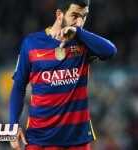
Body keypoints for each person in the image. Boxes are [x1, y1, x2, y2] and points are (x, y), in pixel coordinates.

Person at [9, 0, 117, 149]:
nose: (79, 22)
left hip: (77, 141)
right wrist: (13, 125)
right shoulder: (32, 43)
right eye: (74, 15)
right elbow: (19, 86)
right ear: (60, 15)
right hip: (39, 139)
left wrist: (78, 32)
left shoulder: (84, 42)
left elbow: (110, 51)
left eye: (84, 16)